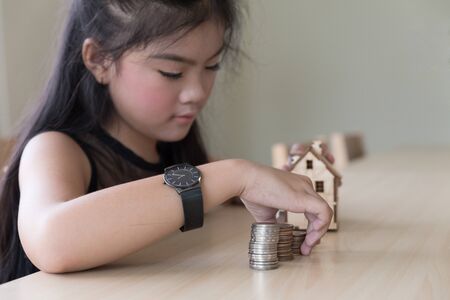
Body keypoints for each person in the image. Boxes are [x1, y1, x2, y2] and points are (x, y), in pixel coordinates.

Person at [0, 0, 332, 284]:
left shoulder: (168, 148)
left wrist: (277, 178)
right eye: (172, 73)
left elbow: (225, 192)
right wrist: (235, 175)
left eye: (212, 66)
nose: (198, 93)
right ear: (99, 59)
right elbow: (51, 241)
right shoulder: (54, 149)